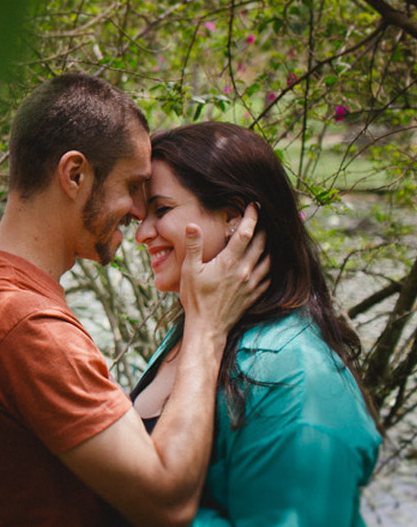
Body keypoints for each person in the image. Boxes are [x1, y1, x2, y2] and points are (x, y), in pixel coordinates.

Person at [0, 73, 269, 527]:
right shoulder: (24, 324)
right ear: (75, 175)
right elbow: (167, 502)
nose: (139, 213)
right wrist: (207, 326)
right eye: (132, 186)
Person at [132, 121, 382, 526]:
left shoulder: (295, 376)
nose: (142, 234)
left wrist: (124, 508)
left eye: (161, 210)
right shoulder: (197, 329)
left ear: (234, 217)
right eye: (141, 216)